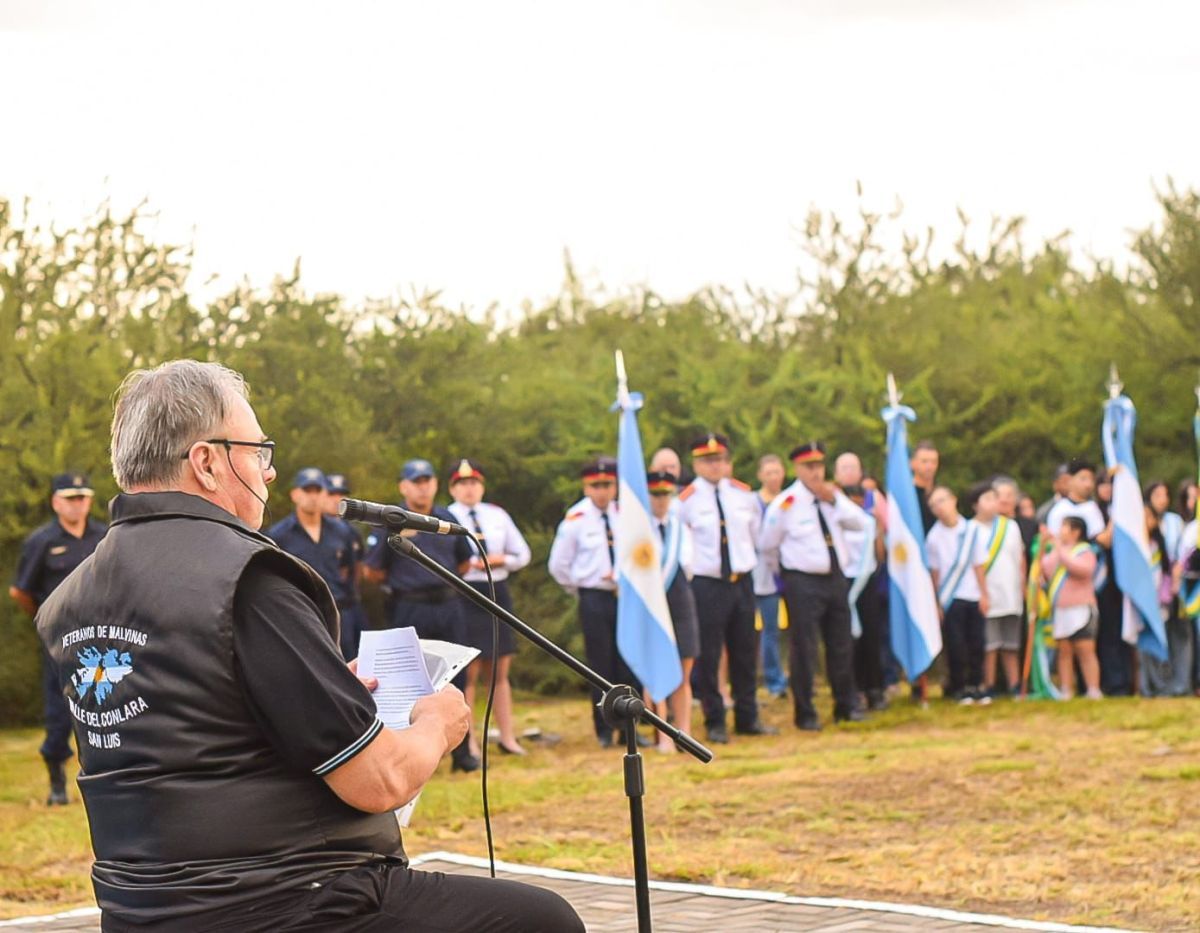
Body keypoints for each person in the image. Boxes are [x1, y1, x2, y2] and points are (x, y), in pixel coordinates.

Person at [35, 359, 581, 932]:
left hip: (142, 910)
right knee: (541, 919)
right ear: (207, 462)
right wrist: (436, 724)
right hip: (289, 898)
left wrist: (314, 682)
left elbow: (184, 735)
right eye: (257, 452)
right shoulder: (246, 578)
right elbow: (379, 781)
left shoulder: (71, 598)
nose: (268, 473)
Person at [362, 458, 478, 772]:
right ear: (403, 486)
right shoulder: (392, 520)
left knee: (457, 678)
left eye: (427, 479)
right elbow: (371, 570)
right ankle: (411, 757)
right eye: (416, 481)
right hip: (409, 608)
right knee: (409, 683)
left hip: (448, 605)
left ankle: (463, 754)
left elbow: (465, 562)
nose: (423, 486)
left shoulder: (446, 518)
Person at [9, 473, 107, 805]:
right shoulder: (42, 541)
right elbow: (20, 590)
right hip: (59, 643)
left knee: (104, 707)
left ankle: (104, 780)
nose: (77, 504)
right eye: (69, 498)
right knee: (59, 713)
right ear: (55, 502)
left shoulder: (104, 537)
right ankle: (57, 783)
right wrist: (44, 620)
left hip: (101, 642)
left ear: (90, 501)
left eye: (82, 497)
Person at [759, 442, 867, 730]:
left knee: (841, 644)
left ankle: (846, 705)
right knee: (804, 648)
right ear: (797, 468)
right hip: (802, 581)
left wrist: (834, 501)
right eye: (809, 467)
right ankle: (806, 713)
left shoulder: (833, 497)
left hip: (835, 578)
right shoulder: (786, 504)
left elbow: (862, 524)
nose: (816, 472)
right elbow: (767, 547)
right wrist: (783, 579)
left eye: (819, 465)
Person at [678, 433, 775, 744]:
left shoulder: (743, 495)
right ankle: (715, 719)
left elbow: (756, 536)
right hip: (707, 584)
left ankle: (748, 716)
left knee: (746, 650)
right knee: (708, 654)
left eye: (719, 460)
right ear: (696, 464)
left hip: (741, 580)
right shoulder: (687, 501)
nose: (715, 466)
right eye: (708, 461)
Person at [548, 457, 644, 747]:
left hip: (626, 598)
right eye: (596, 485)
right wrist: (582, 588)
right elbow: (559, 566)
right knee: (600, 665)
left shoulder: (627, 514)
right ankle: (604, 729)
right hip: (595, 596)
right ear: (586, 486)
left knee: (630, 662)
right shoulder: (576, 519)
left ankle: (631, 727)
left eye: (607, 484)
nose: (602, 491)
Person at [445, 458, 533, 757]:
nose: (469, 489)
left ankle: (507, 736)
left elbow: (522, 553)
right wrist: (470, 563)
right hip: (465, 592)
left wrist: (502, 559)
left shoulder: (497, 515)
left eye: (474, 483)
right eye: (462, 484)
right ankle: (468, 741)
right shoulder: (446, 517)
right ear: (453, 489)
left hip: (496, 590)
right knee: (467, 672)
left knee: (499, 668)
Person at [266, 467, 366, 661]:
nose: (312, 496)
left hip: (340, 613)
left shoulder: (341, 531)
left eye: (318, 490)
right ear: (295, 494)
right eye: (307, 490)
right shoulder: (279, 535)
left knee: (350, 670)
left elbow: (349, 571)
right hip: (301, 617)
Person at [645, 470, 701, 752]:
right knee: (656, 673)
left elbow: (689, 568)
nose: (660, 500)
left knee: (683, 670)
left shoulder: (680, 528)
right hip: (653, 602)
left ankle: (685, 732)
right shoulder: (637, 529)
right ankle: (663, 735)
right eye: (655, 494)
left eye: (665, 494)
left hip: (680, 599)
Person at [926, 486, 991, 703]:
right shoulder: (934, 537)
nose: (939, 508)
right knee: (956, 645)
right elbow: (934, 573)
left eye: (942, 501)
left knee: (977, 643)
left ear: (953, 500)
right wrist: (936, 602)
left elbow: (978, 566)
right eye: (934, 505)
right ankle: (959, 686)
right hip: (950, 598)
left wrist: (984, 595)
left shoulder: (973, 531)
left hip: (973, 595)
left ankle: (976, 685)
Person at [970, 482, 1026, 698]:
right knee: (990, 644)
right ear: (975, 505)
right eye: (988, 498)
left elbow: (1020, 558)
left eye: (995, 498)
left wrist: (1022, 585)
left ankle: (1015, 684)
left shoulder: (1010, 526)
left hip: (1011, 593)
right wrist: (982, 593)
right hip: (987, 593)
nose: (995, 502)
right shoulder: (970, 529)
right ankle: (989, 684)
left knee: (1011, 642)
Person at [1040, 515, 1102, 700]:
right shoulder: (1057, 551)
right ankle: (1066, 689)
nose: (1061, 531)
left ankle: (1093, 689)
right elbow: (1046, 569)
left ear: (1076, 532)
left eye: (1065, 527)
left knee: (1085, 650)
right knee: (1064, 651)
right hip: (1061, 609)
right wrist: (1044, 547)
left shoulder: (1085, 551)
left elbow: (1083, 570)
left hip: (1082, 607)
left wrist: (1059, 549)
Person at [842, 484, 887, 711]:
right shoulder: (836, 521)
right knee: (847, 642)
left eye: (860, 500)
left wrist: (878, 531)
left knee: (871, 638)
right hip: (843, 583)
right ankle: (853, 690)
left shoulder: (869, 523)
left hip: (866, 582)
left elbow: (879, 556)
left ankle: (874, 689)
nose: (856, 504)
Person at [752, 453, 788, 700]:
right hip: (762, 575)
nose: (774, 477)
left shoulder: (790, 500)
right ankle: (773, 680)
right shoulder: (753, 502)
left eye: (777, 472)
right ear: (760, 476)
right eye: (769, 472)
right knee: (768, 630)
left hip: (789, 572)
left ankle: (789, 676)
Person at [1045, 460, 1106, 539]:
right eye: (1083, 479)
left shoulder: (1093, 507)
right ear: (1069, 480)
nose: (1088, 485)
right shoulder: (1059, 509)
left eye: (1092, 479)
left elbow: (1101, 538)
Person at [910, 440, 939, 534]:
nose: (929, 466)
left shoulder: (940, 493)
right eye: (924, 461)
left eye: (934, 462)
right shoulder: (907, 495)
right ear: (912, 463)